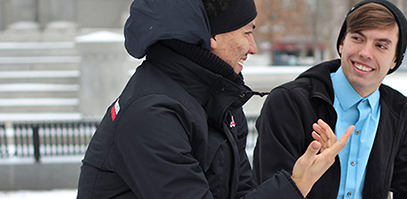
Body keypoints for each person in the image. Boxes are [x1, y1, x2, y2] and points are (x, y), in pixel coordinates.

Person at [76, 0, 352, 198]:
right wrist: (295, 186)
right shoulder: (151, 114)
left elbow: (241, 192)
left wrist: (297, 180)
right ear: (211, 36)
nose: (253, 47)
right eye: (247, 32)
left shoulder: (219, 101)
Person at [252, 0, 407, 199]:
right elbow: (269, 190)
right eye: (357, 38)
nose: (365, 53)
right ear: (341, 43)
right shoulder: (290, 104)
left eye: (381, 46)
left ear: (395, 60)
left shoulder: (398, 113)